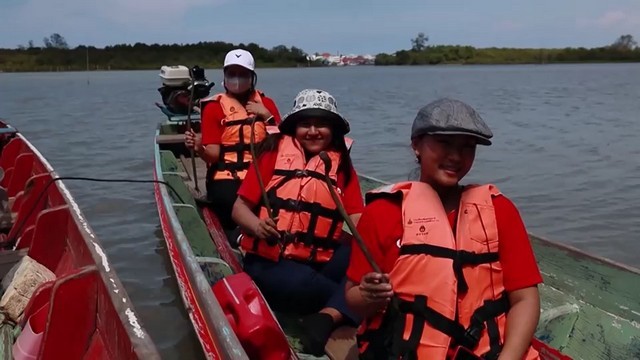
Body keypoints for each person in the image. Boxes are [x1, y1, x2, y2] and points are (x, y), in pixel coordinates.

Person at [345, 98, 542, 360]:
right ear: (416, 145)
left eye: (467, 147)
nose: (456, 156)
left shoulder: (499, 210)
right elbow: (353, 299)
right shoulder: (382, 213)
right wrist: (369, 295)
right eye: (444, 143)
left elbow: (525, 300)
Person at [231, 89, 364, 356]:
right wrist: (258, 227)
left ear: (334, 129)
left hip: (319, 259)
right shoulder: (272, 153)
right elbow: (239, 208)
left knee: (362, 257)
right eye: (305, 124)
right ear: (294, 127)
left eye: (322, 124)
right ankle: (346, 308)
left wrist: (380, 253)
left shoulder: (342, 165)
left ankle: (326, 315)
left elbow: (358, 218)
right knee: (307, 284)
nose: (313, 131)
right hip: (272, 261)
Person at [184, 49, 282, 237]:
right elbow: (212, 153)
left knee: (278, 203)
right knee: (229, 201)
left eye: (243, 74)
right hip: (227, 175)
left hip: (262, 173)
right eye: (232, 74)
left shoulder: (266, 103)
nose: (237, 79)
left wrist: (266, 116)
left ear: (252, 77)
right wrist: (199, 148)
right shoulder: (213, 107)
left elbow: (282, 142)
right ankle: (236, 236)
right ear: (225, 76)